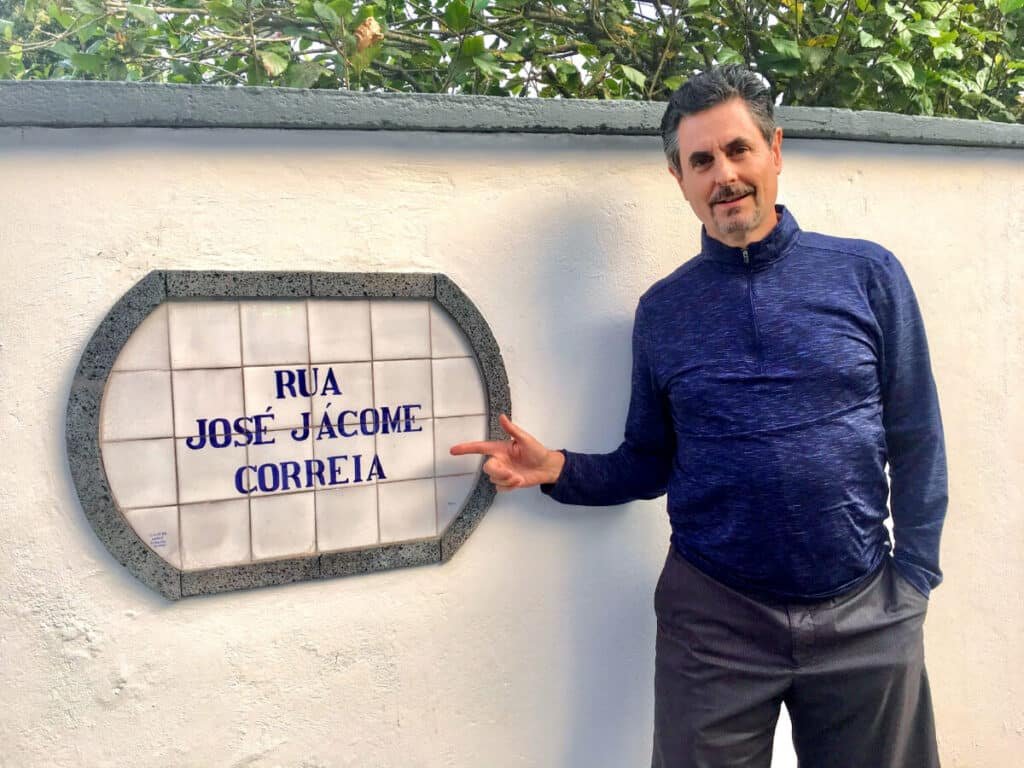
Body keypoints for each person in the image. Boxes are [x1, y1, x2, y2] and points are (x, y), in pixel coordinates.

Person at [450, 64, 948, 768]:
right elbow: (651, 459)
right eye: (702, 160)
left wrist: (915, 577)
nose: (725, 175)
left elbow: (917, 434)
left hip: (867, 611)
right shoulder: (664, 312)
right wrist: (557, 469)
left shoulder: (867, 276)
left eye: (738, 150)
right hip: (715, 624)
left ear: (775, 150)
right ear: (678, 178)